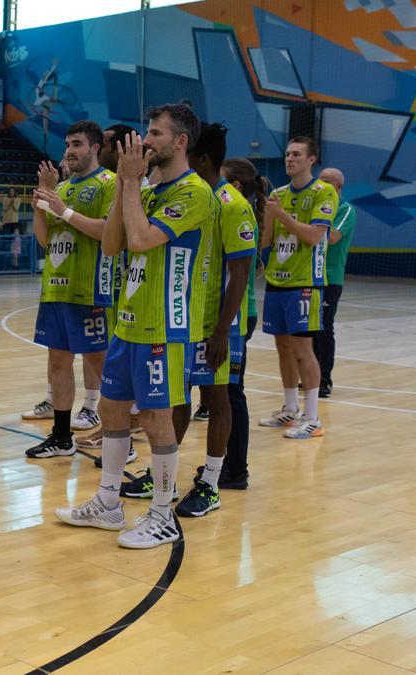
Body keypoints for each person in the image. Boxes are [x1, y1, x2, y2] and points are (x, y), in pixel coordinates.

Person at [55, 103, 213, 549]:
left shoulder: (194, 193)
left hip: (165, 325)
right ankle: (108, 503)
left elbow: (142, 241)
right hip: (127, 320)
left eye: (156, 133)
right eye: (147, 130)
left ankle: (163, 514)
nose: (145, 139)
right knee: (112, 409)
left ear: (180, 142)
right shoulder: (144, 191)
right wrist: (130, 185)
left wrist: (127, 183)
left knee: (158, 419)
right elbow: (111, 245)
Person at [130, 123, 254, 518]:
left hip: (216, 322)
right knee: (176, 398)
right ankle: (161, 475)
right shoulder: (188, 196)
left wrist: (222, 331)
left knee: (216, 398)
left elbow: (241, 273)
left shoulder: (231, 204)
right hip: (181, 317)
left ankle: (212, 482)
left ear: (199, 158)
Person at [23, 121, 119, 458]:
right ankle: (62, 437)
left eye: (77, 144)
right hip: (56, 289)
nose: (69, 151)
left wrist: (64, 210)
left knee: (101, 362)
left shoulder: (109, 183)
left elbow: (108, 232)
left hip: (90, 289)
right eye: (67, 144)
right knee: (58, 361)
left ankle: (118, 436)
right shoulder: (60, 188)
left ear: (94, 148)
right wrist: (42, 200)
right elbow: (45, 237)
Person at [258, 137, 336, 439]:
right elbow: (266, 242)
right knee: (283, 347)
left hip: (305, 283)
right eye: (288, 154)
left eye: (297, 154)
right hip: (277, 280)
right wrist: (266, 216)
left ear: (311, 159)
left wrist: (280, 215)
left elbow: (314, 236)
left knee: (304, 349)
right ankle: (290, 409)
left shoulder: (323, 192)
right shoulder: (278, 194)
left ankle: (313, 417)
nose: (290, 159)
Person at [214, 157, 267, 489]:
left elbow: (241, 274)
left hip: (236, 313)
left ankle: (236, 469)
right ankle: (225, 465)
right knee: (220, 392)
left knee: (232, 392)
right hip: (224, 312)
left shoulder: (239, 213)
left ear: (233, 186)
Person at [314, 167, 355, 398]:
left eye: (328, 182)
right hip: (310, 274)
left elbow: (332, 237)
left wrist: (314, 225)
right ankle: (309, 376)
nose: (322, 186)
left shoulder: (345, 210)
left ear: (339, 187)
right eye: (320, 181)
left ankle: (323, 379)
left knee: (324, 329)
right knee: (307, 329)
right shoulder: (313, 204)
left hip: (331, 277)